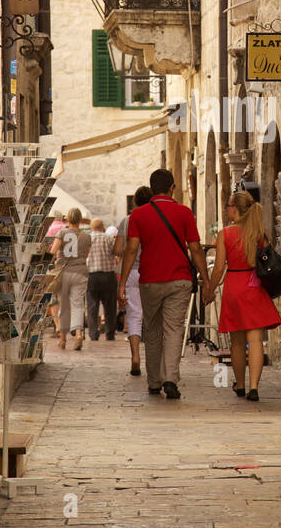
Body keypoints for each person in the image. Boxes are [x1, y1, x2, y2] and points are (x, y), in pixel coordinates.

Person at [118, 168, 211, 400]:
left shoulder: (139, 216)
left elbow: (130, 250)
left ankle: (153, 381)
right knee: (173, 329)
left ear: (152, 189)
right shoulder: (184, 213)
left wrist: (122, 284)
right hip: (179, 280)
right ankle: (170, 378)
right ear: (172, 188)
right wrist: (206, 280)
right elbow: (196, 249)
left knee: (153, 329)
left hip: (150, 280)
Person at [204, 191, 281, 403]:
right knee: (255, 340)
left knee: (237, 342)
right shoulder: (260, 232)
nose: (227, 209)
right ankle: (254, 387)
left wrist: (210, 289)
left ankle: (240, 384)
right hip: (255, 287)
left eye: (229, 205)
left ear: (235, 209)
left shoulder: (225, 234)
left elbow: (219, 267)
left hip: (234, 286)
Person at [114, 185, 152, 377]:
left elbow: (118, 249)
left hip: (131, 272)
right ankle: (155, 361)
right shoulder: (154, 218)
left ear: (135, 202)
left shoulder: (127, 220)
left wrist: (129, 249)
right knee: (153, 317)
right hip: (152, 272)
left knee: (134, 316)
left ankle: (135, 357)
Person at [50, 208, 91, 351]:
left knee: (64, 306)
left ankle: (62, 340)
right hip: (80, 272)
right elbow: (86, 255)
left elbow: (53, 252)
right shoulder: (86, 236)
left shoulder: (62, 233)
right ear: (80, 219)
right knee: (78, 305)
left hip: (64, 273)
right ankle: (79, 334)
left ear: (67, 219)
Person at [87, 218, 119, 341]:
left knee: (92, 305)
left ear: (92, 227)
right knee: (110, 306)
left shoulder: (88, 238)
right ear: (102, 227)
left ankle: (93, 333)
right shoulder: (108, 238)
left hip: (92, 275)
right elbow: (117, 252)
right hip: (108, 275)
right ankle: (110, 333)